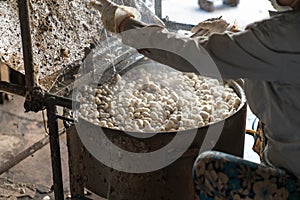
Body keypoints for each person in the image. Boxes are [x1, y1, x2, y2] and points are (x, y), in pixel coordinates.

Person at [92, 0, 300, 198]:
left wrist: (127, 25)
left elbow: (192, 54)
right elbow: (277, 63)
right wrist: (235, 38)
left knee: (208, 168)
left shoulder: (283, 34)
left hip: (294, 179)